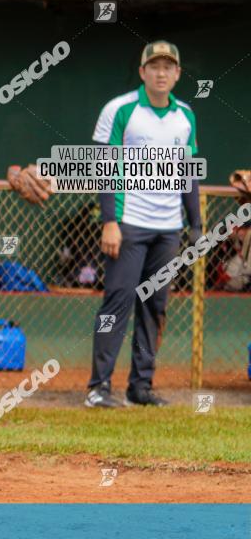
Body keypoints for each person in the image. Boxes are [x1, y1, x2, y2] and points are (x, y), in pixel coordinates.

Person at [86, 41, 201, 408]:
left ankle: (141, 387)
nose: (161, 72)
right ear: (142, 72)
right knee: (117, 304)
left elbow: (189, 173)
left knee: (155, 307)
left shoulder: (186, 115)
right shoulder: (120, 109)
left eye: (169, 66)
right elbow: (104, 166)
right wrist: (109, 222)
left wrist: (196, 225)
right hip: (128, 223)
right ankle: (98, 388)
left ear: (178, 73)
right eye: (154, 66)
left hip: (168, 228)